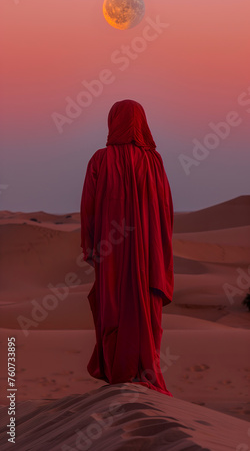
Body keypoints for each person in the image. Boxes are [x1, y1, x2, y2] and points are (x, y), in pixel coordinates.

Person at [80, 99, 174, 396]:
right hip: (148, 254)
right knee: (145, 309)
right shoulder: (154, 161)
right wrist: (160, 250)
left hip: (111, 254)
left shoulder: (100, 159)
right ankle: (141, 372)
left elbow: (88, 209)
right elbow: (165, 211)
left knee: (114, 308)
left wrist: (91, 247)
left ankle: (119, 374)